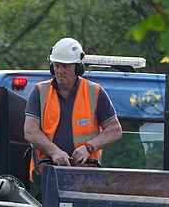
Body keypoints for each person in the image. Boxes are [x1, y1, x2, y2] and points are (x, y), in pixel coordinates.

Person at [24, 37, 122, 180]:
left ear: (78, 68)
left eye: (65, 66)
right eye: (57, 66)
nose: (60, 71)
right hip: (46, 175)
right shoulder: (39, 92)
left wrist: (88, 148)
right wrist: (55, 152)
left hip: (87, 176)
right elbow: (30, 131)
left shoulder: (94, 92)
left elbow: (115, 130)